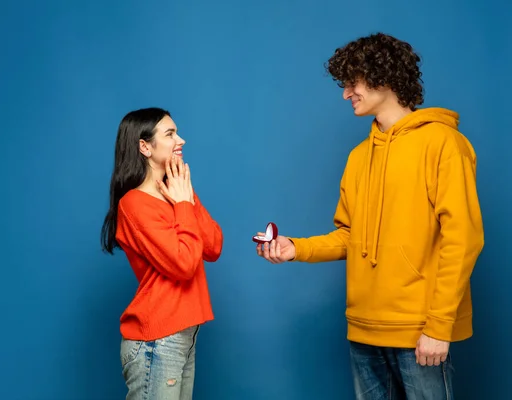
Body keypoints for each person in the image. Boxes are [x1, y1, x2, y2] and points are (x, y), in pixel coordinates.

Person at [255, 32, 484, 399]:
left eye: (352, 82)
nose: (346, 93)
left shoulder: (444, 145)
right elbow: (349, 234)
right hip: (363, 331)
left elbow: (464, 239)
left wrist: (439, 327)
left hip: (419, 332)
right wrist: (294, 248)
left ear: (384, 75)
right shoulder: (358, 157)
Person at [101, 107, 223, 400]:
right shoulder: (134, 205)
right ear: (144, 146)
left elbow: (213, 247)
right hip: (157, 340)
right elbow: (183, 264)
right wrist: (183, 203)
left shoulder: (177, 193)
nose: (181, 140)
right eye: (170, 134)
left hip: (182, 336)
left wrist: (187, 197)